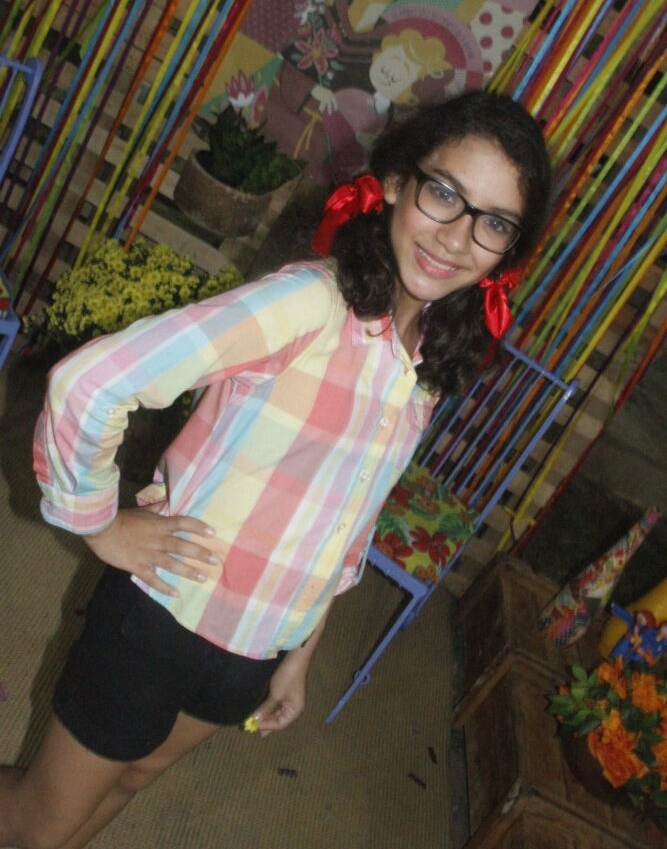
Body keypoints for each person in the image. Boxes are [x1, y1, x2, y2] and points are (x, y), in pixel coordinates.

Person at [0, 90, 551, 849]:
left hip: (254, 647)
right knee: (38, 824)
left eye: (492, 223)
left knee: (131, 779)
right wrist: (96, 522)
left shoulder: (423, 368)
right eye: (444, 193)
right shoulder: (309, 303)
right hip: (161, 615)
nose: (457, 236)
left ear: (506, 254)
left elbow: (345, 523)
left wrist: (300, 654)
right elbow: (90, 384)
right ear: (395, 182)